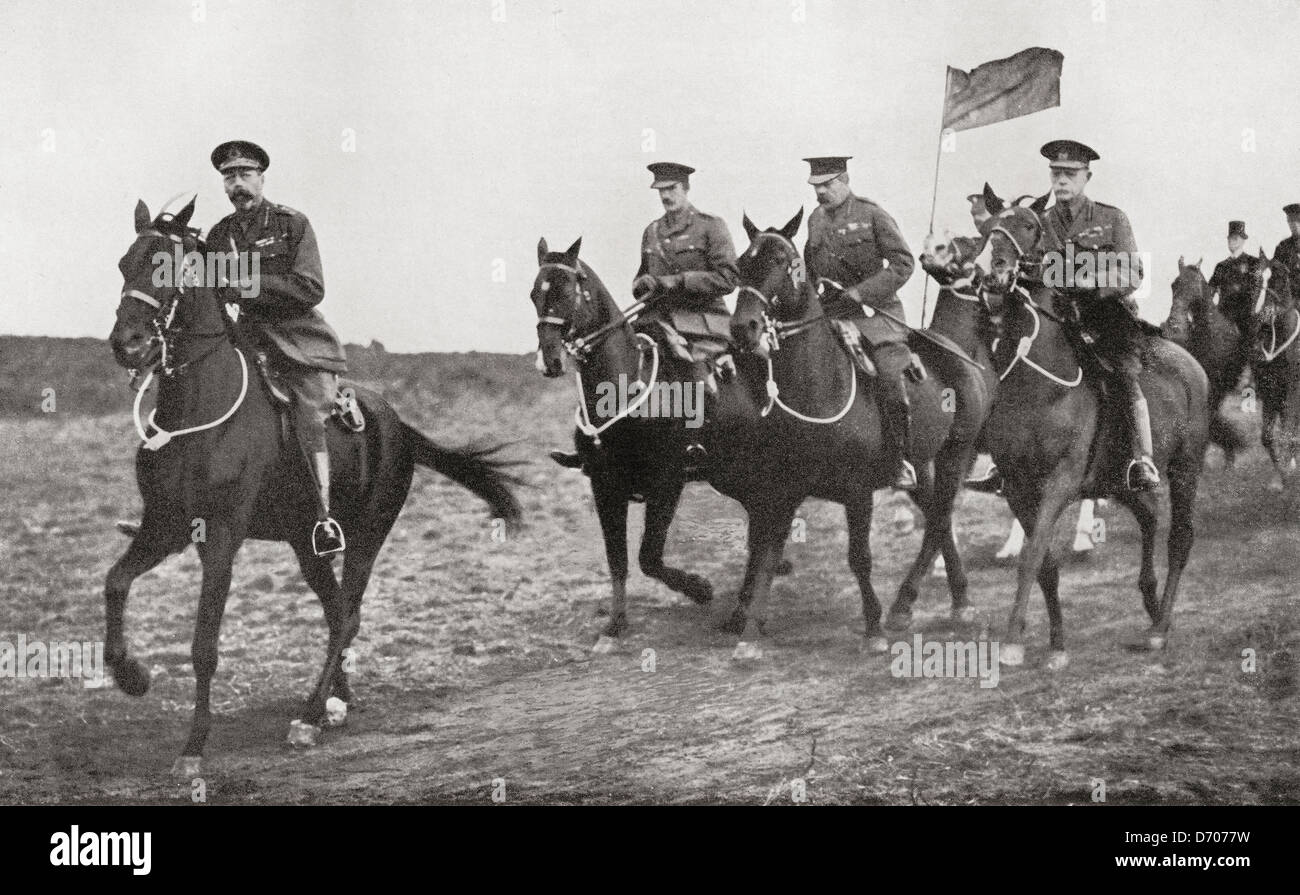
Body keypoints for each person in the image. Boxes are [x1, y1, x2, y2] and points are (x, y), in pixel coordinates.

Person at [206, 140, 350, 555]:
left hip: (299, 340)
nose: (238, 184)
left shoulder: (291, 224)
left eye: (245, 175)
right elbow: (213, 290)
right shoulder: (220, 236)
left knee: (309, 415)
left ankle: (324, 519)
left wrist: (246, 286)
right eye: (229, 177)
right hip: (246, 338)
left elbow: (310, 287)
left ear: (261, 178)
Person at [550, 162, 738, 472]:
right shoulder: (651, 231)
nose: (666, 196)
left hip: (701, 320)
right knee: (609, 351)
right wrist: (641, 285)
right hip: (657, 318)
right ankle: (593, 439)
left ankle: (693, 442)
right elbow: (643, 277)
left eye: (671, 189)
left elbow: (728, 278)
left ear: (686, 189)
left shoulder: (711, 226)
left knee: (687, 364)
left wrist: (675, 282)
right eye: (661, 191)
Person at [802, 155, 917, 489]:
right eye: (816, 186)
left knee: (890, 379)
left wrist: (861, 293)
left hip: (876, 318)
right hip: (831, 319)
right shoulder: (815, 221)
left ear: (845, 179)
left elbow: (903, 264)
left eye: (827, 184)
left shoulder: (872, 214)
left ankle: (900, 460)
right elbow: (810, 271)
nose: (821, 192)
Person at [1208, 220, 1263, 336]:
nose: (1231, 241)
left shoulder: (1253, 263)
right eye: (1229, 238)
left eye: (1235, 238)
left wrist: (1237, 318)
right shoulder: (1221, 266)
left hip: (1244, 320)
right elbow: (1209, 290)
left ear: (1243, 241)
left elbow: (1254, 294)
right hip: (1221, 316)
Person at [1270, 204, 1300, 305]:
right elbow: (1274, 275)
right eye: (1290, 221)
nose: (1293, 225)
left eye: (1297, 220)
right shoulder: (1283, 246)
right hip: (1286, 299)